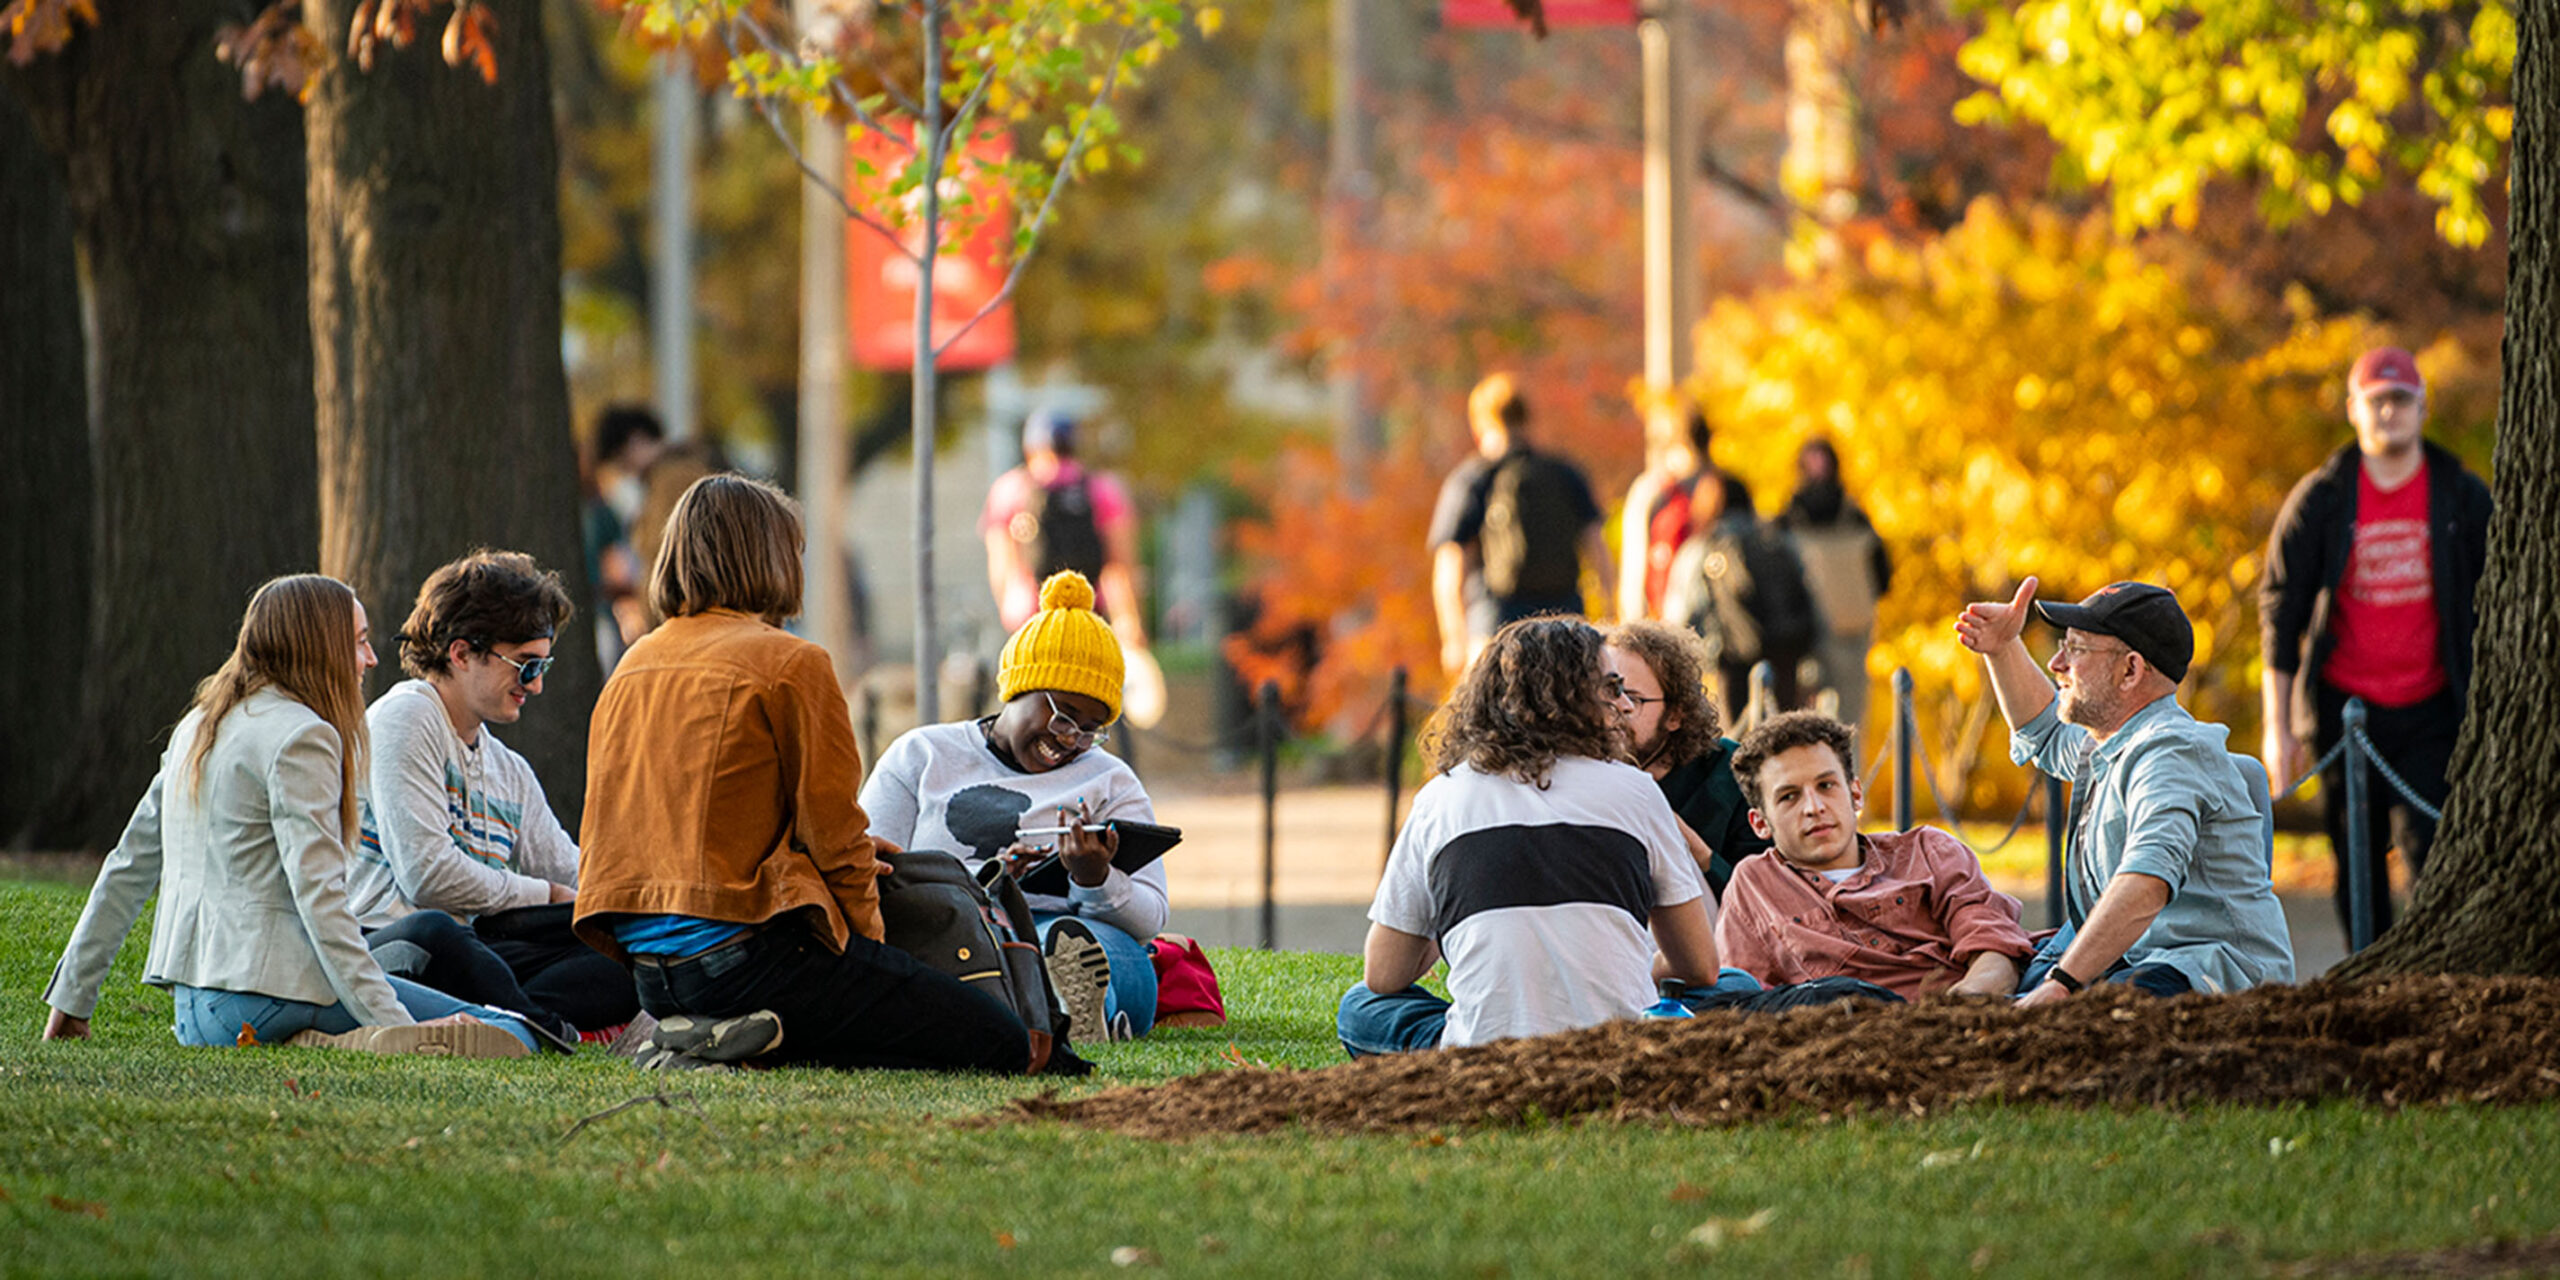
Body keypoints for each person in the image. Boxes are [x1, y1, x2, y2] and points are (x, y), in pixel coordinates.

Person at [575, 474, 1031, 1074]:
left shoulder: (634, 664)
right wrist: (875, 957)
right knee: (1000, 1041)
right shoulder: (792, 663)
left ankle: (714, 1036)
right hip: (744, 957)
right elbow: (834, 834)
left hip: (649, 975)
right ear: (771, 558)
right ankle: (751, 1039)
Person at [40, 575, 536, 1057]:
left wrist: (72, 999)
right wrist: (399, 1028)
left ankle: (326, 1041)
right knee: (512, 1031)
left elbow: (129, 866)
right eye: (359, 642)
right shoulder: (303, 737)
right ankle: (338, 1038)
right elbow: (322, 901)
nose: (371, 658)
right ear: (317, 646)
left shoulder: (198, 725)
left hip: (194, 1012)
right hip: (267, 999)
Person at [1336, 617, 1725, 1055]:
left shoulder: (1439, 798)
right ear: (1574, 701)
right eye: (1611, 688)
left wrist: (1445, 915)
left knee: (1362, 1006)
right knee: (1734, 984)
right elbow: (1700, 967)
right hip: (1619, 1048)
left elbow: (1384, 975)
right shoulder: (1637, 792)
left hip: (1478, 1055)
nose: (1622, 704)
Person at [344, 551, 638, 1044]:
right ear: (461, 654)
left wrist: (638, 902)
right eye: (525, 666)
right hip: (389, 942)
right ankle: (540, 1029)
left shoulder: (509, 770)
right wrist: (543, 895)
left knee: (616, 944)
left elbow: (569, 870)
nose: (537, 685)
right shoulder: (406, 719)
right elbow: (428, 876)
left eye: (542, 665)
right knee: (438, 931)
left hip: (482, 951)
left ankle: (512, 1021)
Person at [861, 570, 1164, 1044]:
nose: (1070, 740)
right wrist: (982, 884)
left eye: (1090, 729)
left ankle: (1077, 1008)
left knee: (1075, 947)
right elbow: (867, 871)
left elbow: (1152, 917)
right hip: (953, 932)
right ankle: (1050, 1009)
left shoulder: (1111, 780)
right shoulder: (922, 755)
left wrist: (1094, 880)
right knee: (993, 953)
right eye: (1062, 715)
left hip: (1074, 934)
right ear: (1020, 688)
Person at [1957, 578, 2295, 1002]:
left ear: (2131, 670)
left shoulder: (2171, 751)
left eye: (2076, 649)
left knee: (2076, 1017)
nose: (2057, 663)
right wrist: (2004, 648)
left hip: (2207, 970)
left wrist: (2060, 985)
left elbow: (2147, 881)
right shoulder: (2113, 742)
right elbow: (2043, 732)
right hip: (2140, 958)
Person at [2260, 346, 2492, 937]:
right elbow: (2281, 611)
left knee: (2433, 851)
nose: (2389, 412)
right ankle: (2368, 974)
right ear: (2353, 410)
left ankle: (2430, 979)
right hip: (2346, 714)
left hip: (2435, 707)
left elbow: (2501, 598)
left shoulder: (2460, 496)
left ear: (2421, 407)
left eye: (2401, 400)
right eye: (2377, 401)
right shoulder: (2324, 499)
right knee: (2356, 864)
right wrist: (2278, 727)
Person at [1715, 712, 2036, 1001]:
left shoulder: (1928, 851)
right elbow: (1744, 999)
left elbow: (1994, 946)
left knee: (2073, 949)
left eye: (1826, 785)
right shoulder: (1754, 887)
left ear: (1855, 794)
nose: (1814, 807)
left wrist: (1961, 1008)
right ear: (1760, 823)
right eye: (1789, 797)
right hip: (1844, 1041)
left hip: (1965, 1013)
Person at [1428, 373, 1608, 678]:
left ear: (1479, 424)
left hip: (1495, 622)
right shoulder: (1564, 473)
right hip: (1566, 620)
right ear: (1528, 420)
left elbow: (1451, 565)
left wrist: (1454, 640)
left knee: (1494, 719)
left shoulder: (1472, 479)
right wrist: (1607, 616)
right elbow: (1597, 548)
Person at [1602, 619, 1771, 897]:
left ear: (1675, 715)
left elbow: (1766, 902)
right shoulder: (1581, 771)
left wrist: (1691, 847)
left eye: (1633, 699)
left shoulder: (1734, 774)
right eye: (1605, 695)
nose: (1615, 711)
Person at [981, 408, 1148, 646]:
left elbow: (1001, 562)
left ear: (1030, 449)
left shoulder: (1011, 489)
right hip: (1089, 614)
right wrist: (1129, 618)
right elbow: (1121, 562)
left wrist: (1010, 607)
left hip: (1031, 617)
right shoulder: (1101, 489)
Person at [1661, 477, 1820, 726]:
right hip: (1785, 656)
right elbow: (1809, 596)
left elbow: (1683, 614)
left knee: (1737, 747)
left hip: (1731, 661)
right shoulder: (1778, 541)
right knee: (1782, 741)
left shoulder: (1702, 548)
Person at [1779, 438, 1892, 732]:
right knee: (1850, 720)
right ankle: (1846, 776)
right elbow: (1883, 577)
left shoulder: (1787, 522)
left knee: (1802, 721)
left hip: (1810, 631)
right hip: (1842, 630)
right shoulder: (1856, 518)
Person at [1617, 405, 1754, 624]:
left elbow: (1635, 568)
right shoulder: (1733, 486)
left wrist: (1634, 625)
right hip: (1736, 620)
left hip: (1671, 619)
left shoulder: (1655, 492)